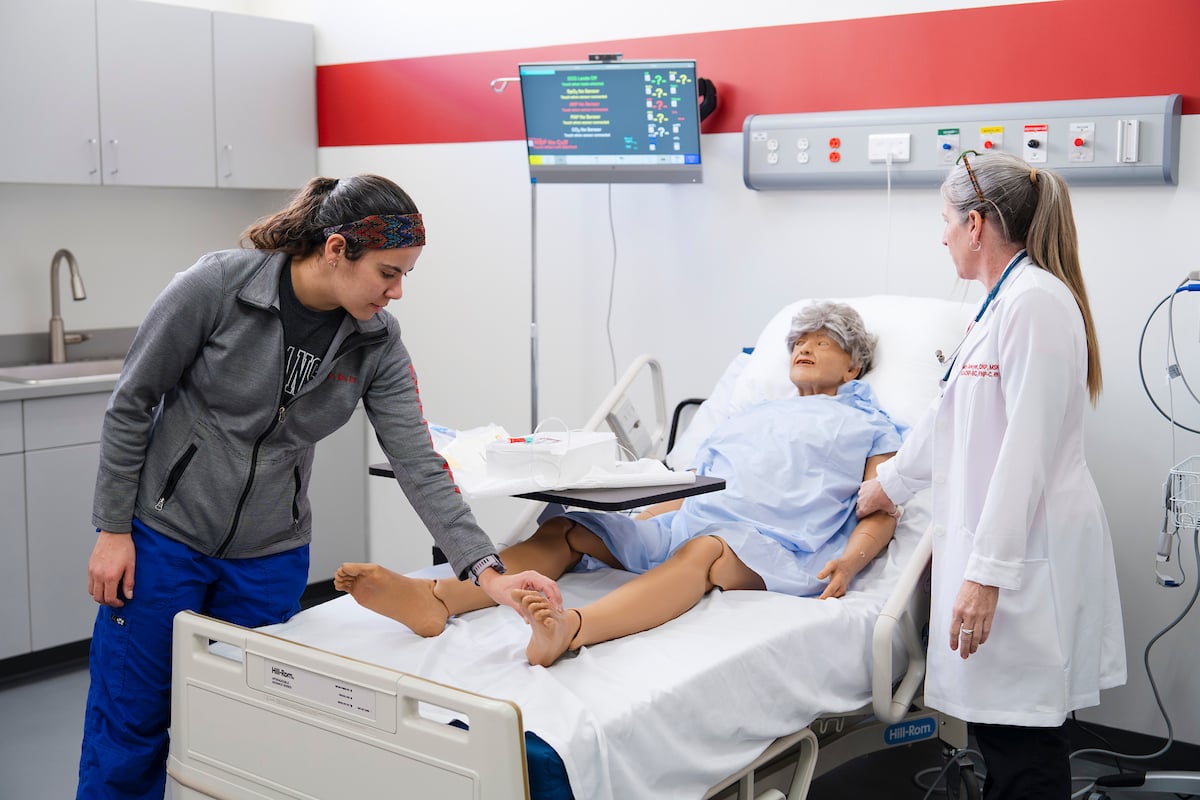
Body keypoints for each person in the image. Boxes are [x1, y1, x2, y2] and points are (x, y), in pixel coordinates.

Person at [78, 174, 561, 800]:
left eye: (405, 274)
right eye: (389, 272)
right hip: (164, 540)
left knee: (254, 733)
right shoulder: (217, 288)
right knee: (132, 722)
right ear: (336, 250)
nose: (397, 292)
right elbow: (131, 402)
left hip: (269, 556)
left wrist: (488, 572)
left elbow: (418, 461)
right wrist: (113, 528)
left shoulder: (376, 344)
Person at [336, 301, 907, 667]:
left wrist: (853, 562)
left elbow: (882, 508)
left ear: (853, 365)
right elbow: (695, 485)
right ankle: (440, 598)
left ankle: (571, 631)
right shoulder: (748, 415)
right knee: (569, 526)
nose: (804, 348)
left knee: (701, 550)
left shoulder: (868, 423)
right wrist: (635, 526)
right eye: (798, 342)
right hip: (694, 519)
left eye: (822, 342)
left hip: (777, 546)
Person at [855, 151, 1126, 800]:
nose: (941, 234)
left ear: (976, 225)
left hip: (1025, 558)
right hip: (1002, 551)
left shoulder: (1035, 304)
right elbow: (948, 421)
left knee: (1024, 748)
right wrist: (884, 488)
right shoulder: (998, 305)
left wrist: (985, 573)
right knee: (1003, 742)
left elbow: (1025, 451)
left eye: (946, 220)